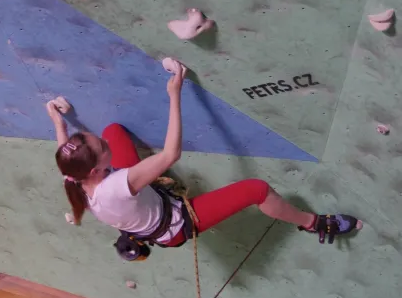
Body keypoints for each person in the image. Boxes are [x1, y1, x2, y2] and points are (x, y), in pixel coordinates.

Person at [47, 67, 362, 248]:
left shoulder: (75, 180)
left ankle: (135, 189)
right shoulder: (116, 185)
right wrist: (175, 94)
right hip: (175, 225)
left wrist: (60, 125)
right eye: (102, 148)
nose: (105, 144)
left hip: (133, 207)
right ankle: (313, 223)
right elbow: (171, 153)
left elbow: (69, 157)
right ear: (96, 169)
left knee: (113, 130)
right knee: (257, 190)